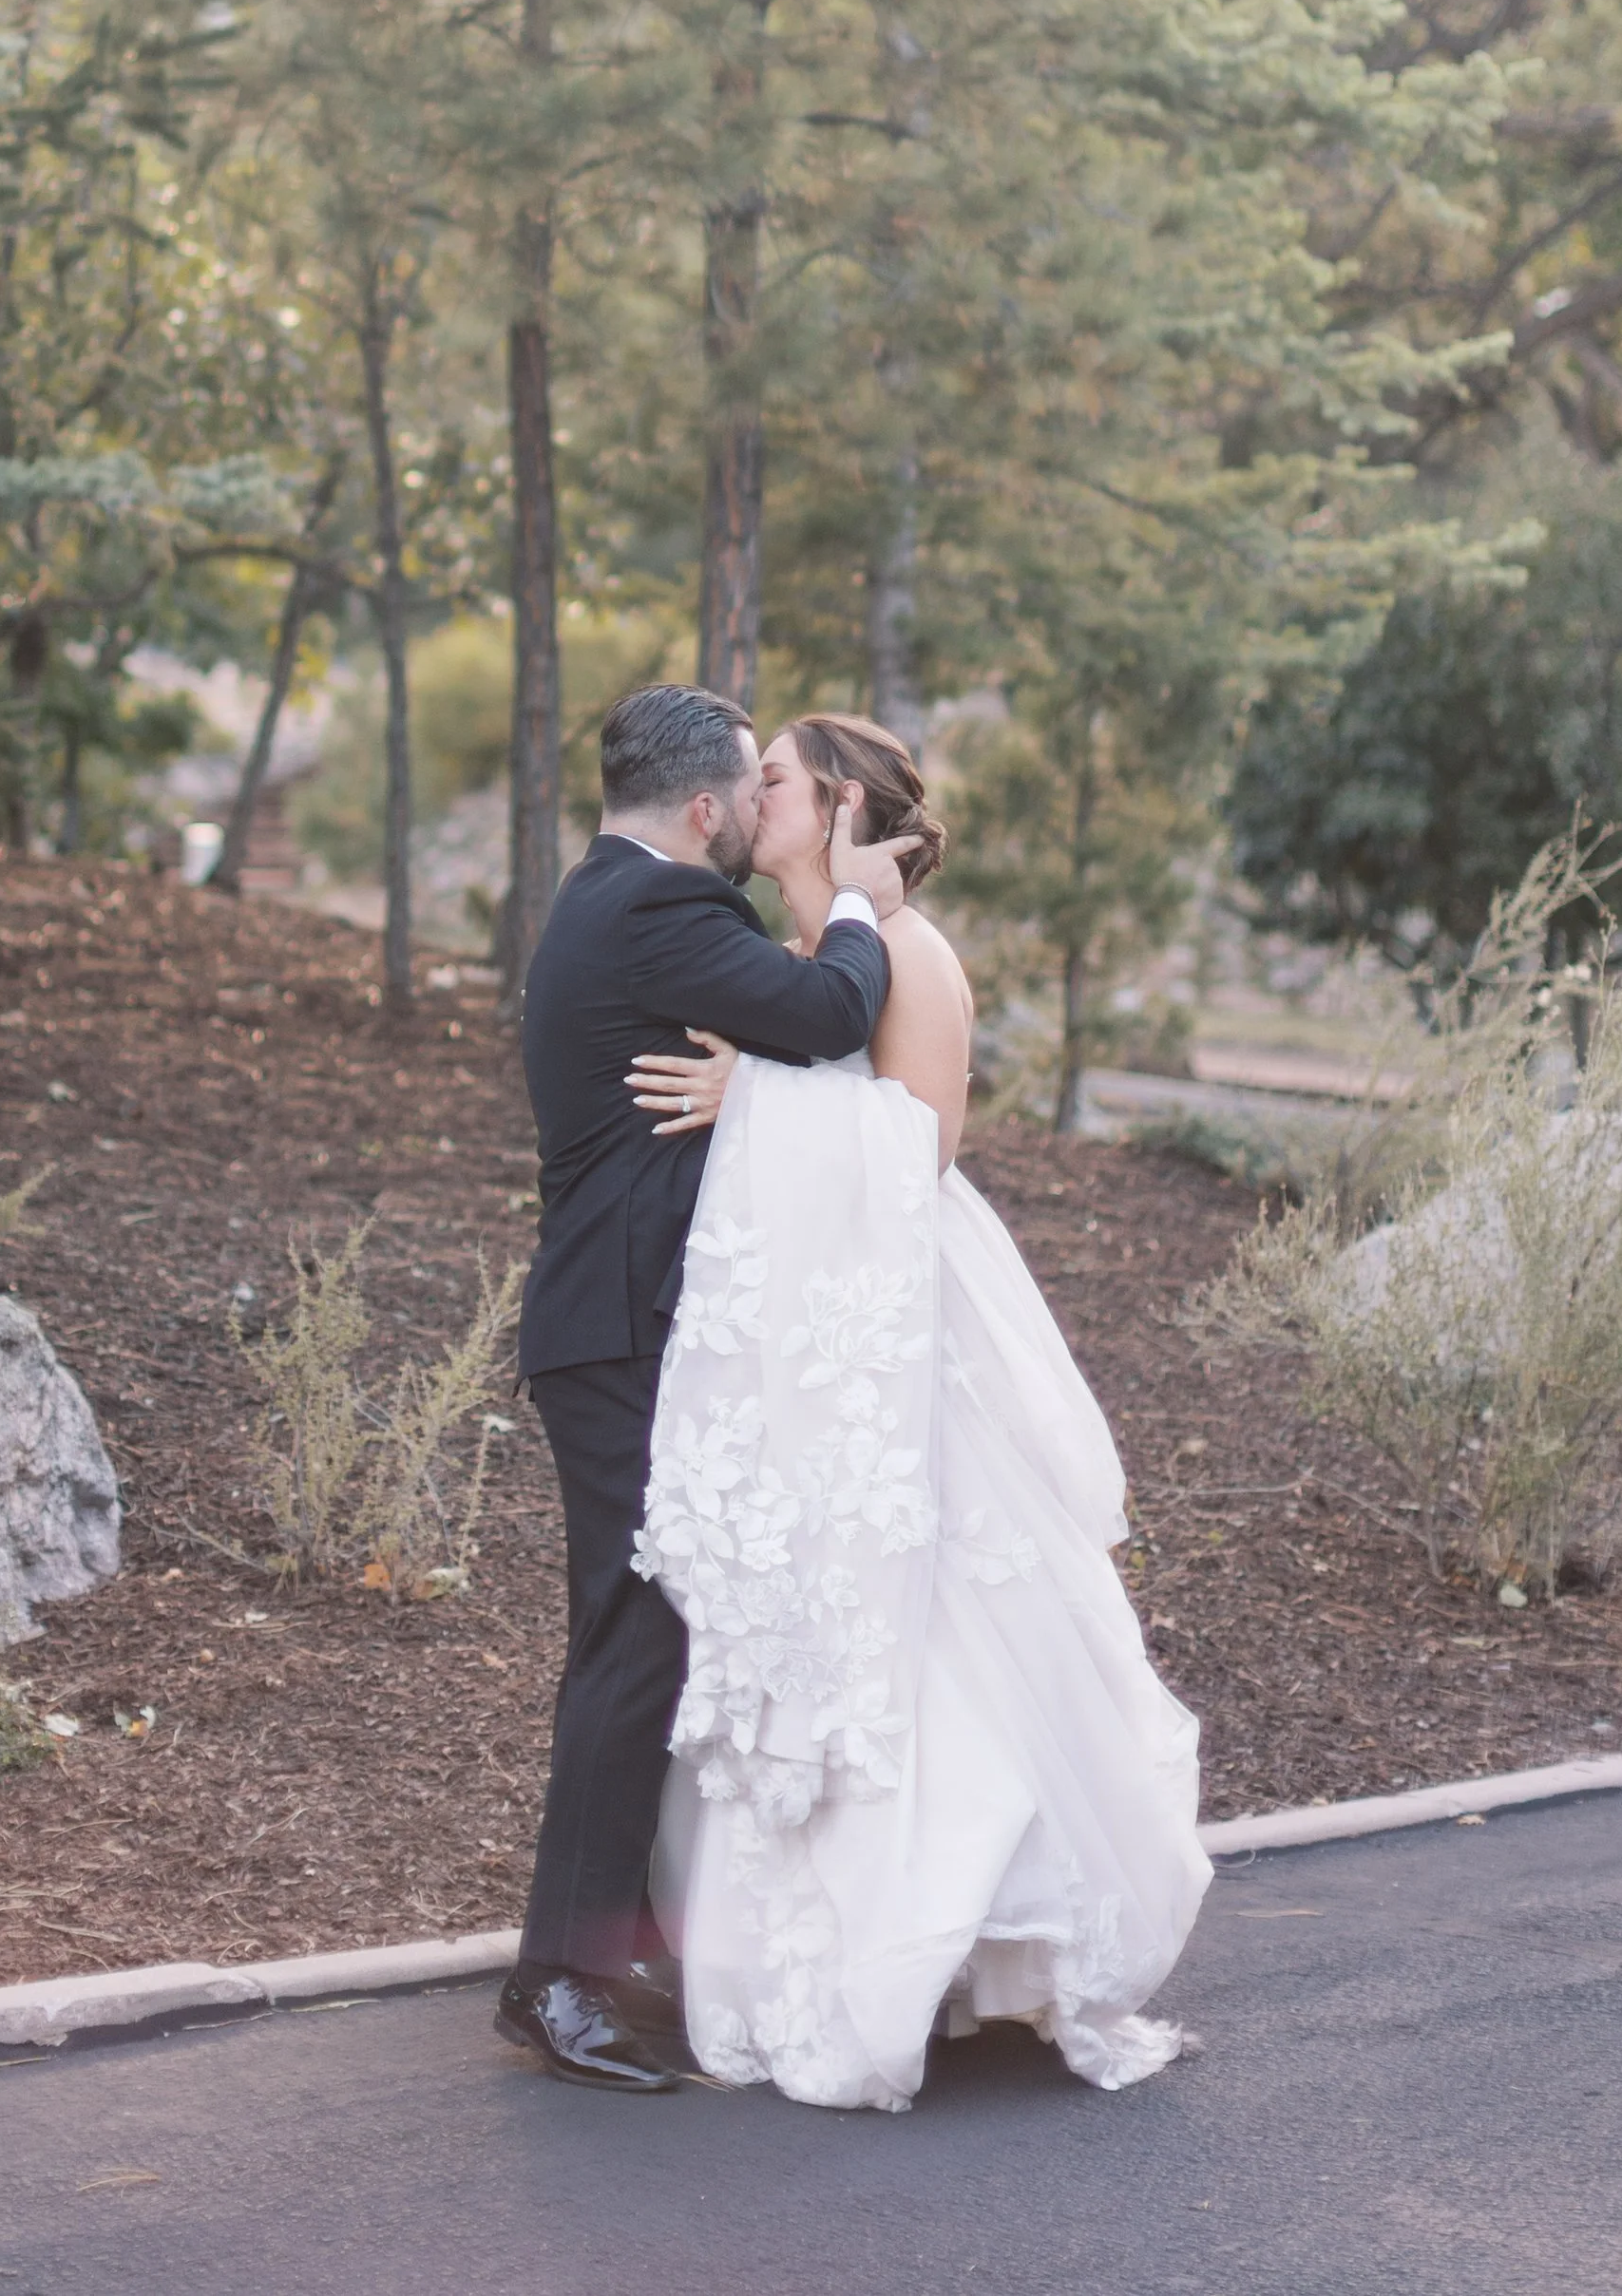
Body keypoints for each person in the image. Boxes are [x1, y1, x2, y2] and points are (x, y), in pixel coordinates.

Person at [627, 713, 1211, 2112]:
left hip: (908, 1331)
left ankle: (954, 1938)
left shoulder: (916, 957)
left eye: (771, 777)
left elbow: (923, 1139)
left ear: (835, 803)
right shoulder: (802, 958)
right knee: (821, 1604)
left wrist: (747, 1092)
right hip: (821, 1337)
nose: (746, 793)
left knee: (936, 1609)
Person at [495, 683, 917, 2096]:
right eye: (752, 787)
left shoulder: (596, 900)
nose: (756, 810)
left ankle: (636, 1935)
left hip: (612, 1326)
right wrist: (855, 904)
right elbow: (822, 1009)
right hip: (619, 1329)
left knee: (645, 1630)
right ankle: (560, 1978)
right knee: (641, 1630)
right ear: (701, 809)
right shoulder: (673, 911)